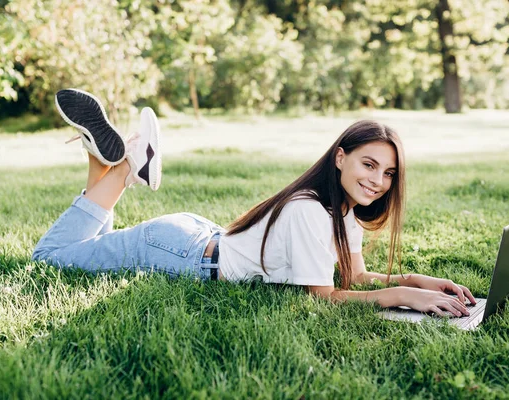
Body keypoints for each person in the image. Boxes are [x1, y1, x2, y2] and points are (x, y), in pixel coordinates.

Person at [33, 88, 476, 318]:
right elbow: (322, 297)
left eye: (388, 174)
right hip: (179, 253)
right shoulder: (308, 209)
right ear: (340, 157)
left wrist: (420, 282)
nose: (378, 181)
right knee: (50, 258)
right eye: (369, 165)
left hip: (195, 241)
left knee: (86, 249)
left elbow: (355, 276)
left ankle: (102, 154)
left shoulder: (345, 211)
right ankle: (129, 164)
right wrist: (400, 296)